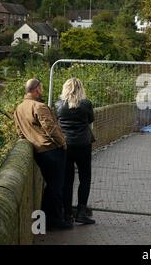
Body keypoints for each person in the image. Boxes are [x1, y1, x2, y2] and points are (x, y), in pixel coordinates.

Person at [14, 78, 72, 229]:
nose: (42, 91)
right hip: (51, 150)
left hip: (38, 151)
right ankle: (54, 222)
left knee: (51, 186)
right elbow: (51, 128)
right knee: (56, 187)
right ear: (37, 89)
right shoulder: (39, 106)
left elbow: (20, 132)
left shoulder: (19, 108)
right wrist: (62, 143)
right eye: (41, 88)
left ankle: (45, 221)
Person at [55, 78, 96, 225]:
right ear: (80, 88)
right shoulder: (86, 104)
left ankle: (67, 214)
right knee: (85, 178)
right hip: (83, 145)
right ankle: (81, 212)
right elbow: (91, 120)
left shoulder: (58, 105)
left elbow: (55, 123)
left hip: (65, 146)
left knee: (67, 180)